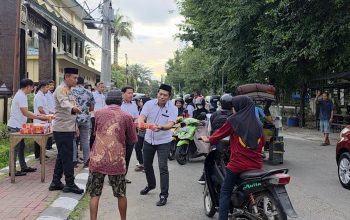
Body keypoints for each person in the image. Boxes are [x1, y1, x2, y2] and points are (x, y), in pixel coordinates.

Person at [201, 95, 265, 220]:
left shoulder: (233, 120)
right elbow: (262, 143)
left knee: (225, 193)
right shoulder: (258, 123)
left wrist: (207, 139)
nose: (233, 110)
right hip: (257, 165)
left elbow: (218, 135)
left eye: (234, 107)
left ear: (240, 107)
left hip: (238, 165)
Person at [86, 90, 138, 220]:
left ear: (107, 101)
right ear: (120, 101)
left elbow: (95, 133)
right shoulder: (126, 116)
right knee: (121, 194)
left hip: (97, 158)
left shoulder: (97, 113)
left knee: (95, 194)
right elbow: (133, 139)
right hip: (116, 160)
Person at [138, 84, 178, 206]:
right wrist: (140, 122)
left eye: (165, 95)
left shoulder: (173, 108)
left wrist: (161, 127)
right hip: (149, 139)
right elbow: (142, 116)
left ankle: (164, 195)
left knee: (163, 167)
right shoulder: (149, 104)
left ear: (169, 96)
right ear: (157, 94)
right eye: (160, 94)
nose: (162, 97)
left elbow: (170, 124)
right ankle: (151, 185)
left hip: (164, 142)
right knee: (147, 164)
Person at [49, 68, 84, 194]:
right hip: (62, 129)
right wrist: (74, 108)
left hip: (68, 127)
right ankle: (70, 184)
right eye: (74, 78)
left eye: (76, 78)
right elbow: (64, 104)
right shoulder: (60, 89)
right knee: (68, 157)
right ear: (66, 77)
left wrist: (75, 127)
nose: (76, 80)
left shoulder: (70, 90)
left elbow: (71, 107)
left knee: (62, 156)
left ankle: (56, 182)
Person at [7, 78, 48, 176]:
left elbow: (25, 112)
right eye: (32, 87)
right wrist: (39, 117)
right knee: (15, 149)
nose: (33, 89)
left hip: (19, 125)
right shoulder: (21, 96)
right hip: (15, 126)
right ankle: (12, 171)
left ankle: (23, 166)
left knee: (21, 148)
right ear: (28, 86)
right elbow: (25, 112)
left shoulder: (22, 95)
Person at [197, 94, 233, 185]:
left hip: (215, 141)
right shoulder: (235, 115)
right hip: (230, 144)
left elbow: (209, 129)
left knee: (210, 159)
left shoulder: (214, 114)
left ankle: (204, 178)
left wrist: (210, 139)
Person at [72, 76, 95, 167]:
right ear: (83, 83)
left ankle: (74, 160)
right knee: (85, 140)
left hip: (73, 118)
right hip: (85, 118)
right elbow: (92, 107)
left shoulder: (71, 91)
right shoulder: (89, 92)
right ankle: (87, 161)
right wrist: (85, 111)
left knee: (73, 140)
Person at [121, 86, 139, 183]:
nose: (131, 95)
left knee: (127, 155)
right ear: (123, 94)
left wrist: (136, 122)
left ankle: (123, 176)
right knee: (118, 155)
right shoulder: (118, 104)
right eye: (129, 93)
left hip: (130, 132)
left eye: (132, 93)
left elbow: (136, 117)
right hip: (119, 133)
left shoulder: (134, 105)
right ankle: (114, 178)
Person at [33, 80, 51, 160]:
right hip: (39, 120)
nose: (48, 89)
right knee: (38, 139)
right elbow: (40, 109)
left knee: (43, 139)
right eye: (47, 87)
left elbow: (45, 108)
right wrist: (47, 116)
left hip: (43, 119)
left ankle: (42, 153)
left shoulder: (43, 95)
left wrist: (50, 114)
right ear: (43, 87)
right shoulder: (39, 96)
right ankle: (38, 155)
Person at [134, 96, 150, 172]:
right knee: (137, 147)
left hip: (147, 133)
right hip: (140, 133)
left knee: (146, 150)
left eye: (141, 101)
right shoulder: (140, 109)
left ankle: (146, 166)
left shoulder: (149, 111)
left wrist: (142, 125)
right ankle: (141, 163)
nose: (139, 103)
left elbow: (151, 123)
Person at [90, 82, 105, 149]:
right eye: (101, 87)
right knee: (93, 133)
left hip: (101, 117)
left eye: (103, 87)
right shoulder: (92, 95)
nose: (102, 88)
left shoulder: (103, 96)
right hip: (94, 116)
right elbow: (90, 105)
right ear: (96, 87)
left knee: (100, 132)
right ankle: (91, 148)